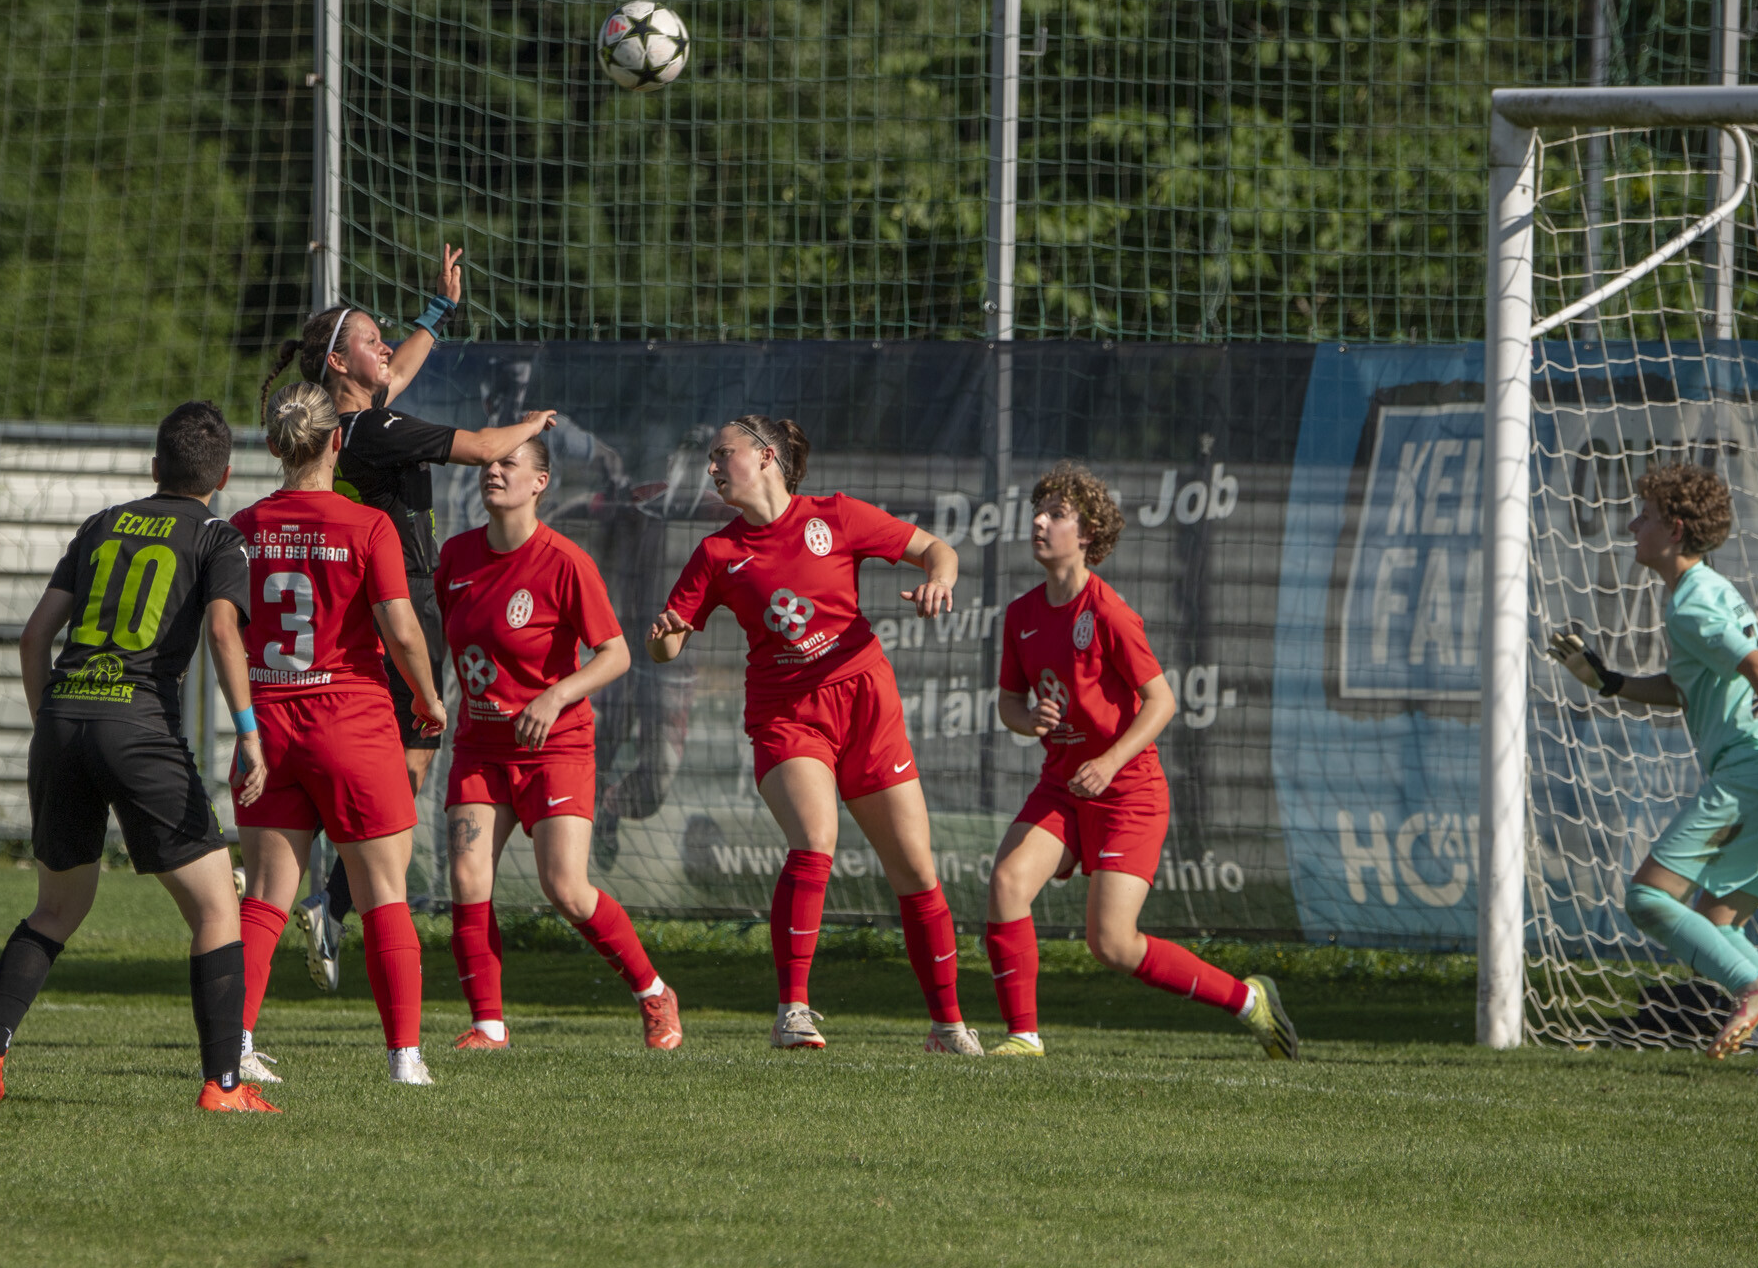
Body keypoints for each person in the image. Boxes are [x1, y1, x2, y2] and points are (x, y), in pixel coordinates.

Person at [0, 402, 276, 1112]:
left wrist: (51, 724)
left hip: (64, 717)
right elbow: (225, 633)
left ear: (155, 467)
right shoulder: (218, 537)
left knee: (55, 908)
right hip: (138, 727)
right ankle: (225, 1085)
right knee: (218, 908)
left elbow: (34, 637)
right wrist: (248, 731)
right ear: (224, 476)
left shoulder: (102, 524)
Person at [253, 246, 554, 991]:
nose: (384, 345)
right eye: (369, 338)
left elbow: (400, 369)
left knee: (406, 763)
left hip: (382, 591)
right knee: (395, 763)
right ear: (338, 362)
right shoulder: (376, 430)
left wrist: (437, 311)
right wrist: (532, 426)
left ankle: (325, 899)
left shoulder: (354, 423)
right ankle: (332, 896)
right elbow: (482, 447)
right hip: (401, 595)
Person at [646, 416, 979, 1054]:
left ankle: (948, 1027)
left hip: (866, 702)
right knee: (815, 838)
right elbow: (667, 647)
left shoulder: (838, 515)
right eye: (710, 458)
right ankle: (791, 1013)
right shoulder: (716, 553)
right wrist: (664, 638)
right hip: (787, 713)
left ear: (766, 457)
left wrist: (940, 580)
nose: (712, 468)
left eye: (723, 454)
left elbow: (939, 550)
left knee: (916, 870)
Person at [982, 462, 1299, 1060]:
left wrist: (1109, 761)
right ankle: (1023, 1038)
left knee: (1112, 945)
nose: (1039, 522)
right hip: (1063, 786)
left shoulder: (1108, 611)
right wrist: (1030, 720)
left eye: (1056, 514)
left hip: (1128, 792)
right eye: (1037, 511)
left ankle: (1248, 1001)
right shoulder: (1021, 615)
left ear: (1088, 533)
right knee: (1007, 883)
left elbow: (1162, 701)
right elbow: (1008, 704)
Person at [1548, 462, 1758, 1080]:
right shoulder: (1705, 590)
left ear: (1674, 529)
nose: (1633, 526)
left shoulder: (1692, 605)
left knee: (1648, 898)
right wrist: (1611, 682)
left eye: (1645, 516)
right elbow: (1686, 688)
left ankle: (1756, 989)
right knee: (1716, 922)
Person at [229, 382, 450, 1086]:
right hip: (350, 721)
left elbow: (227, 630)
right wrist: (428, 699)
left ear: (273, 445)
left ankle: (235, 1046)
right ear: (336, 442)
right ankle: (404, 1058)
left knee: (266, 894)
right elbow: (402, 629)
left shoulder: (243, 525)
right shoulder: (367, 525)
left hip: (269, 723)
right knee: (383, 891)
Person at [434, 437, 682, 1051]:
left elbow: (616, 654)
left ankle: (654, 992)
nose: (493, 472)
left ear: (540, 482)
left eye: (508, 463)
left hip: (556, 748)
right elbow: (437, 640)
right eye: (488, 463)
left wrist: (554, 697)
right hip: (481, 748)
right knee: (467, 879)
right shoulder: (457, 556)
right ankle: (488, 1026)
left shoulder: (565, 561)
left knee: (565, 888)